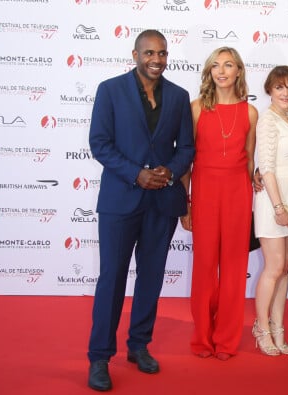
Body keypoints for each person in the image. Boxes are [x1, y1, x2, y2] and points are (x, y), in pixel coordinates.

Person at [87, 29, 194, 391]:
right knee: (112, 279)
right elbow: (99, 143)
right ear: (135, 54)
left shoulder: (179, 96)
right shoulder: (110, 90)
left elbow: (187, 148)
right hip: (121, 201)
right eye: (149, 53)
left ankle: (139, 346)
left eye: (162, 53)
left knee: (151, 278)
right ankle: (100, 357)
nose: (156, 60)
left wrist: (171, 170)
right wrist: (136, 174)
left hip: (161, 202)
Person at [180, 47, 257, 361]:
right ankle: (202, 338)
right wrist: (186, 204)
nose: (222, 71)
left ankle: (226, 339)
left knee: (236, 269)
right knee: (204, 267)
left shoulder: (250, 112)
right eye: (216, 65)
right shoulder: (196, 108)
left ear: (239, 70)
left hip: (239, 191)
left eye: (228, 65)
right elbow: (187, 160)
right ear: (209, 72)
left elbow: (250, 161)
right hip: (205, 191)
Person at [252, 66, 288, 356]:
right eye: (279, 88)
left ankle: (278, 327)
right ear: (269, 90)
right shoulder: (267, 120)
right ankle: (262, 329)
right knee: (274, 268)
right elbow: (268, 168)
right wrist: (277, 208)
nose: (286, 93)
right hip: (274, 201)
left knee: (285, 268)